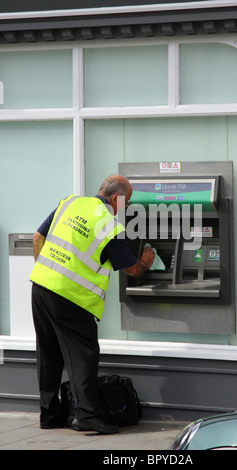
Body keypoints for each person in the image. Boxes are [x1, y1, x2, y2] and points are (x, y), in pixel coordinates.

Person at [30, 175, 155, 434]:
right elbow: (131, 269)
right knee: (83, 356)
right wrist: (145, 263)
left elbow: (37, 238)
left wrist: (46, 271)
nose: (127, 207)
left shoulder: (70, 204)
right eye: (127, 202)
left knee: (48, 353)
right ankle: (86, 415)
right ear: (114, 199)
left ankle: (49, 415)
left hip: (40, 287)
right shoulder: (109, 226)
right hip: (71, 298)